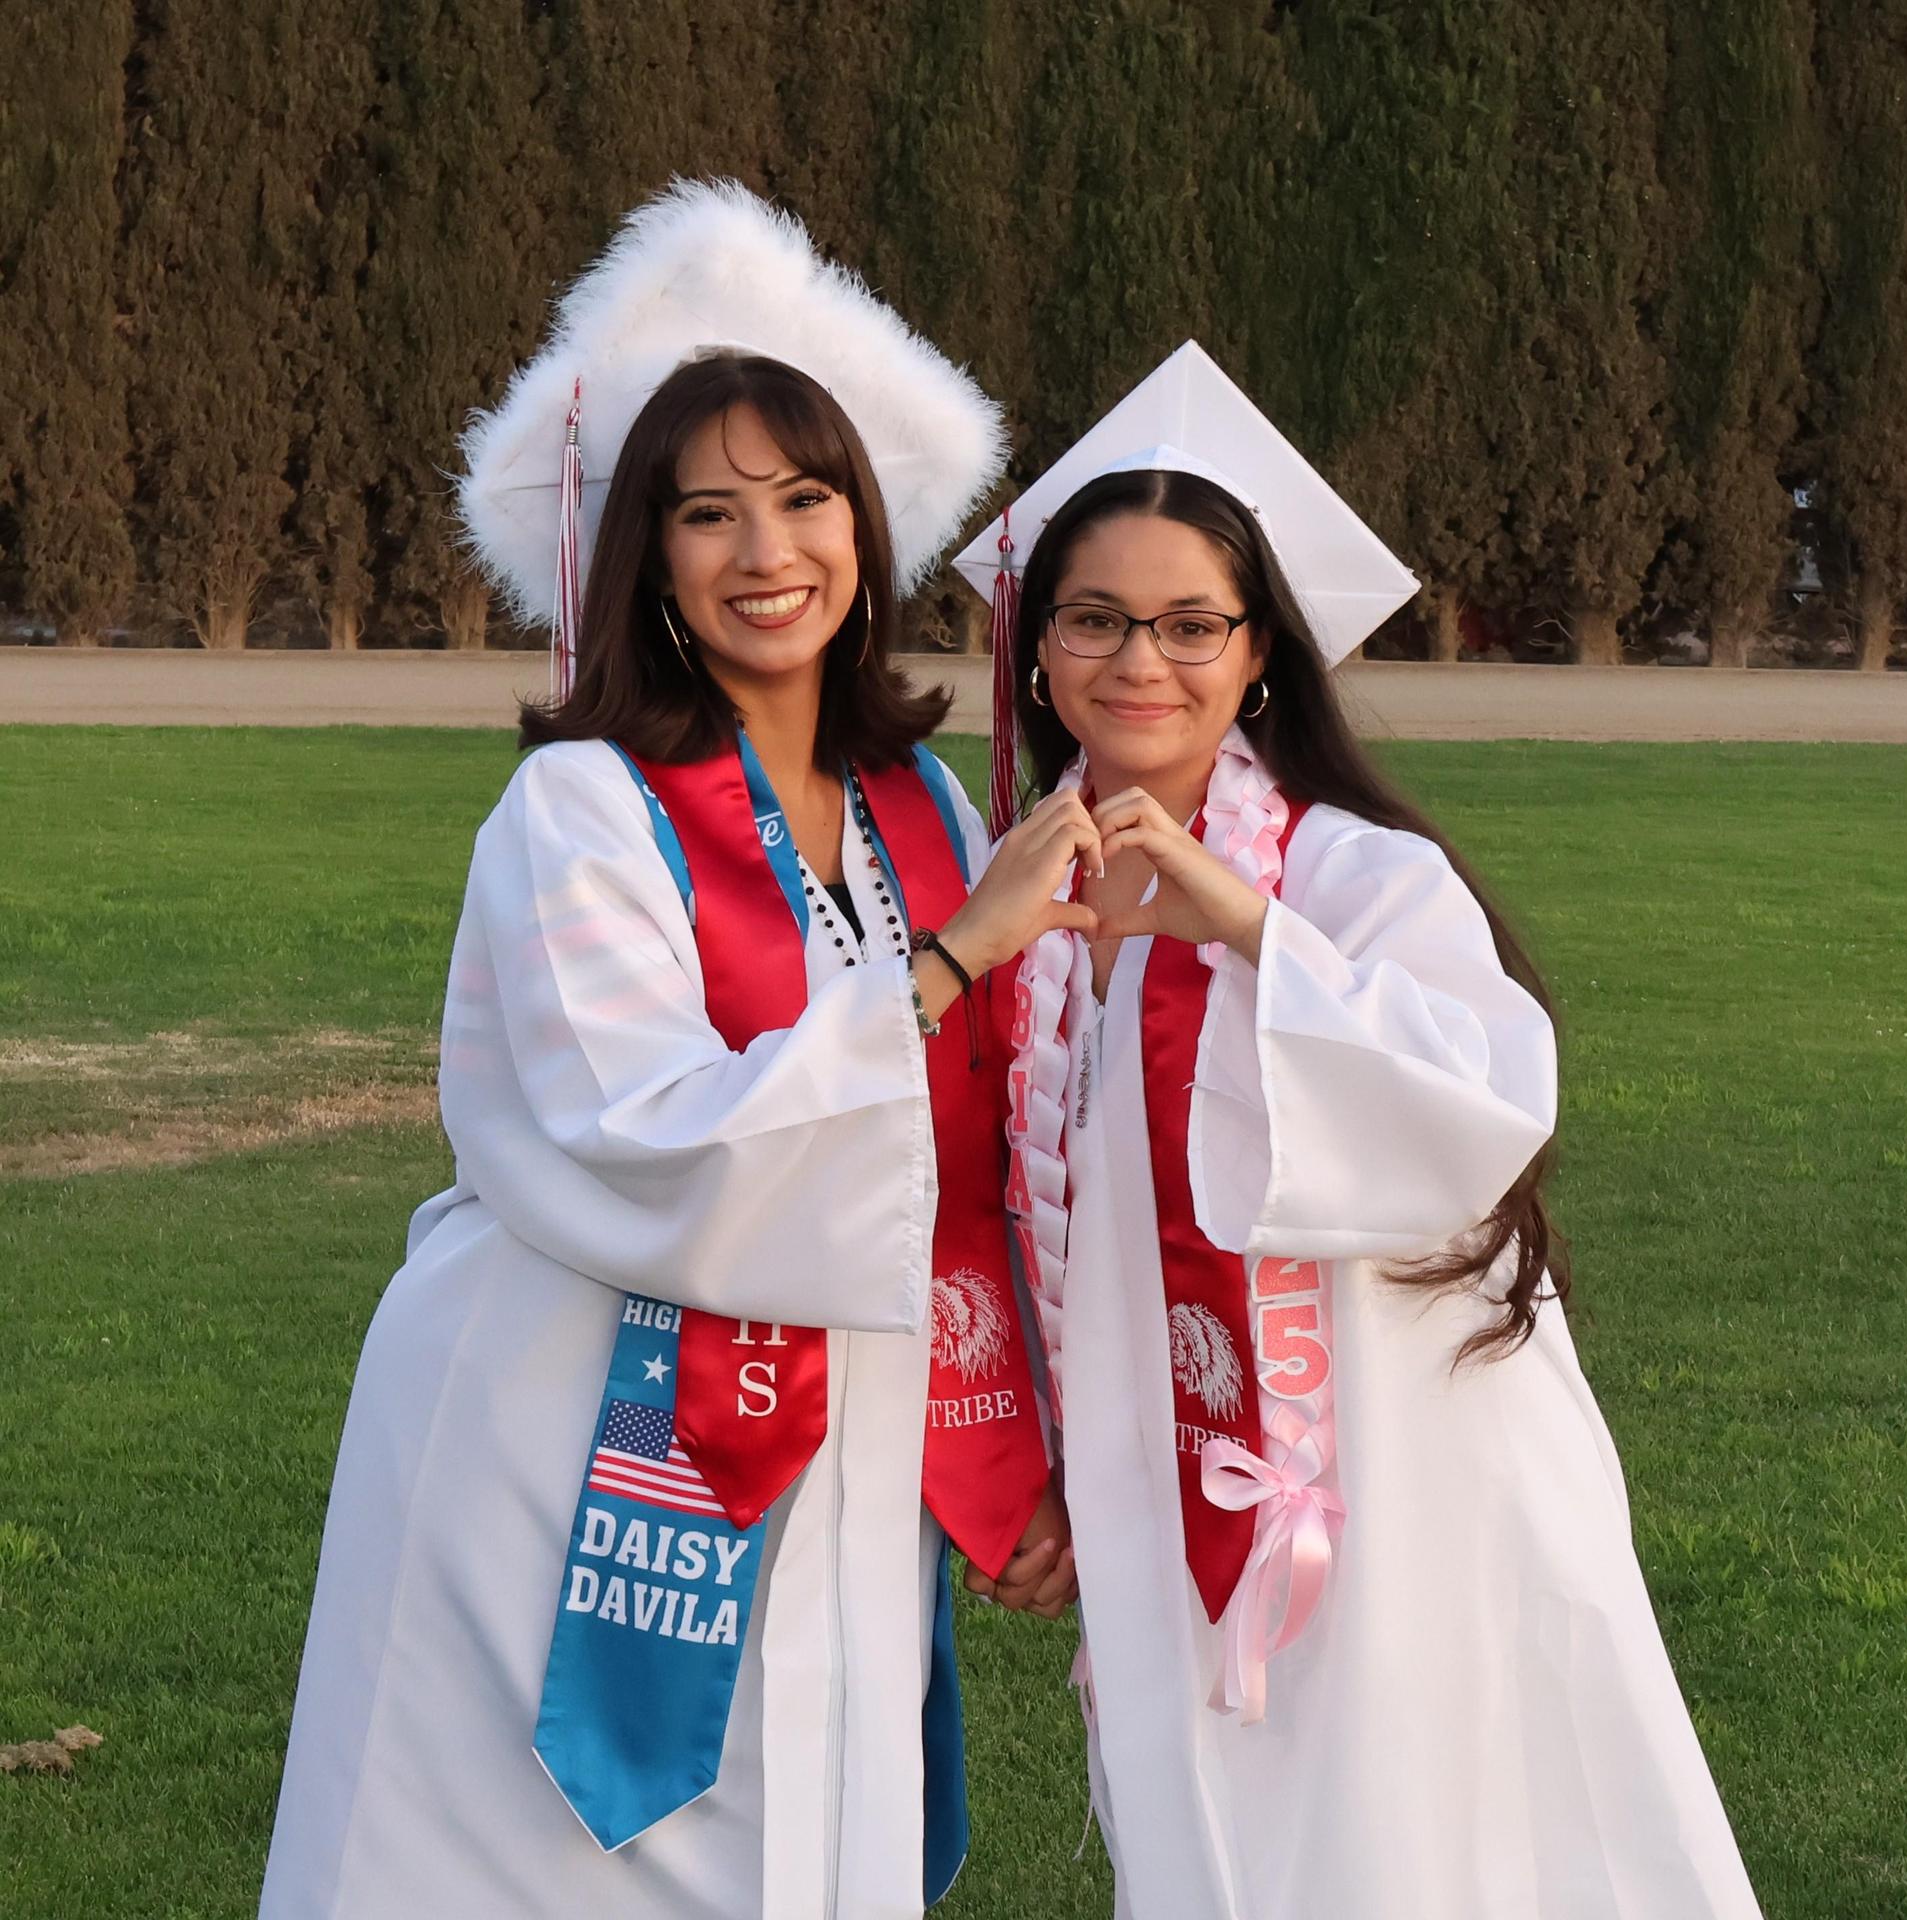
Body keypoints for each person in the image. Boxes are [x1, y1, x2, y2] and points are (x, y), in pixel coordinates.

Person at [259, 182, 1089, 1920]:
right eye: (709, 512)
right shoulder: (578, 811)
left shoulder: (925, 809)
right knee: (527, 1869)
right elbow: (643, 1133)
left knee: (807, 1833)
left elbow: (967, 1166)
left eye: (804, 500)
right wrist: (953, 959)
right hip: (572, 1433)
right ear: (648, 556)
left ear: (864, 529)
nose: (766, 551)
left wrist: (1010, 1451)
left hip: (840, 1426)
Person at [952, 342, 1765, 1919]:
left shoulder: (1350, 872)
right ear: (1038, 650)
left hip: (1399, 1465)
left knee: (1415, 1835)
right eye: (1094, 618)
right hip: (1158, 1462)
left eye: (1191, 623)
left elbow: (1489, 1100)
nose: (1140, 661)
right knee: (1214, 1833)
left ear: (1259, 651)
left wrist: (1251, 929)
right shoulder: (1023, 903)